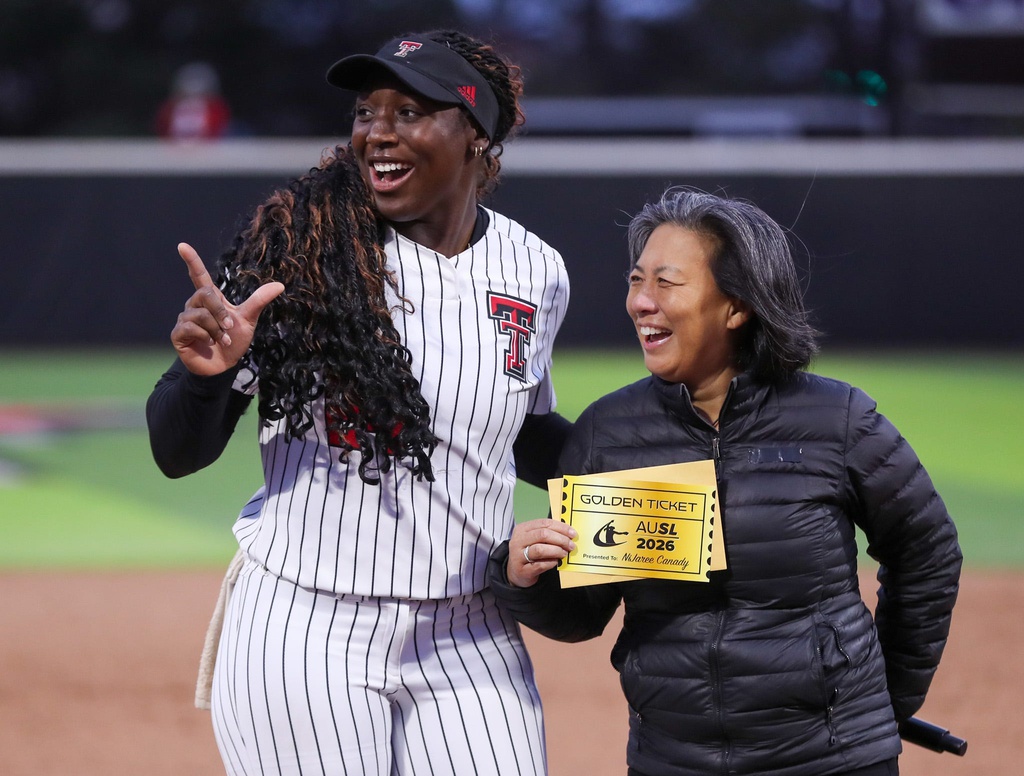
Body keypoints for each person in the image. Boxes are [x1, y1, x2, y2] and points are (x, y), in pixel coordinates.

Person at [147, 29, 571, 776]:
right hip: (309, 625)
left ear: (476, 134)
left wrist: (661, 458)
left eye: (409, 110)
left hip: (473, 630)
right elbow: (178, 452)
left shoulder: (534, 268)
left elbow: (523, 434)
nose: (377, 130)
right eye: (367, 111)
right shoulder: (301, 253)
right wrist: (207, 376)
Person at [487, 187, 962, 776]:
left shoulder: (835, 419)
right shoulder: (609, 433)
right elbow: (584, 613)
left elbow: (927, 550)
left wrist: (886, 701)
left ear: (735, 307)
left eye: (667, 282)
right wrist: (522, 577)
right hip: (675, 760)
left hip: (832, 759)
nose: (641, 302)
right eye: (637, 281)